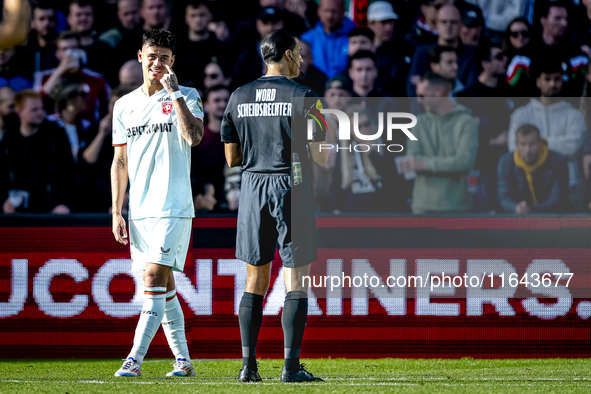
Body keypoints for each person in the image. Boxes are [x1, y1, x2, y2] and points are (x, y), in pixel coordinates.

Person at [221, 29, 326, 383]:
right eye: (298, 52)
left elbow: (232, 158)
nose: (302, 59)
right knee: (296, 278)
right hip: (291, 185)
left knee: (255, 278)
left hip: (252, 187)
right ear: (286, 54)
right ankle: (291, 368)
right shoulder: (306, 96)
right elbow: (320, 157)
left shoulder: (238, 96)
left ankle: (248, 368)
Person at [111, 29, 204, 378]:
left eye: (164, 56)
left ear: (173, 61)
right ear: (140, 57)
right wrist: (116, 210)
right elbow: (120, 162)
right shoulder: (124, 105)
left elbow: (193, 138)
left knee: (152, 276)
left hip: (173, 205)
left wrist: (174, 92)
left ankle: (133, 359)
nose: (157, 62)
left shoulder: (188, 95)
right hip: (140, 210)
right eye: (152, 55)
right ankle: (183, 361)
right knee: (163, 288)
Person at [402, 72, 479, 214]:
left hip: (457, 207)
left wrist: (425, 164)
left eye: (422, 95)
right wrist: (449, 165)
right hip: (422, 207)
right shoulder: (418, 123)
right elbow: (412, 161)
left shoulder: (466, 121)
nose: (418, 100)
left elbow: (464, 162)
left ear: (438, 92)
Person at [508, 60, 586, 193]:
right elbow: (513, 148)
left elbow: (573, 147)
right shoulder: (521, 114)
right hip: (528, 185)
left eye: (557, 79)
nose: (552, 84)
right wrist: (561, 140)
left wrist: (535, 143)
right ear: (538, 82)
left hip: (569, 184)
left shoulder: (574, 115)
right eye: (547, 79)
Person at [0, 90, 74, 214]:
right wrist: (4, 202)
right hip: (17, 212)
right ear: (19, 111)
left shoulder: (56, 135)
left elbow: (68, 172)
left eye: (41, 109)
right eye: (34, 110)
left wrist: (65, 203)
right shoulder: (9, 139)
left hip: (50, 210)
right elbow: (2, 175)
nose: (40, 113)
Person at [506, 0, 588, 96]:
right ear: (543, 20)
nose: (564, 23)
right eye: (558, 18)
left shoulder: (577, 55)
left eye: (566, 19)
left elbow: (582, 90)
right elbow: (511, 89)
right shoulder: (524, 56)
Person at [33, 31, 110, 123]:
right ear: (57, 53)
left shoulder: (98, 80)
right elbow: (37, 102)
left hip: (88, 132)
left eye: (74, 48)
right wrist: (61, 70)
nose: (69, 53)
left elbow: (105, 110)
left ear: (81, 51)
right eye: (64, 49)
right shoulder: (44, 77)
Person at [407, 4, 478, 97]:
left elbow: (470, 92)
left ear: (461, 25)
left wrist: (430, 83)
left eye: (453, 22)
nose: (448, 26)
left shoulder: (472, 54)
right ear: (436, 24)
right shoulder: (423, 52)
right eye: (444, 22)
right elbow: (413, 89)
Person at [498, 124, 571, 213]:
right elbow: (503, 197)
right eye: (523, 144)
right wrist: (516, 207)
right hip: (519, 220)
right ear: (516, 144)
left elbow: (557, 199)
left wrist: (531, 210)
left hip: (552, 218)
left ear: (539, 142)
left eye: (532, 144)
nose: (527, 149)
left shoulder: (557, 161)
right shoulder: (506, 162)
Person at [174, 1, 230, 88]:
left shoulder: (221, 47)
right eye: (193, 15)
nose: (198, 19)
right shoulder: (177, 48)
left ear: (210, 16)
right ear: (186, 18)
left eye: (202, 15)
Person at [191, 84, 230, 208]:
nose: (223, 105)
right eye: (217, 100)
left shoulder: (241, 137)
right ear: (206, 105)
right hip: (207, 208)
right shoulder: (197, 139)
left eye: (226, 100)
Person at [300, 0, 355, 78]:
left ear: (343, 12)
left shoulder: (355, 37)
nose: (329, 16)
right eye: (326, 11)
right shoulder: (306, 39)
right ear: (318, 11)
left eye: (334, 11)